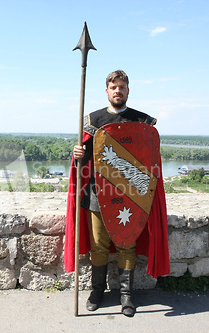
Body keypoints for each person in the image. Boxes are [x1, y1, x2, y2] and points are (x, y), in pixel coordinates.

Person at [64, 70, 170, 317]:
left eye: (122, 87)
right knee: (99, 245)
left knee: (127, 243)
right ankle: (97, 290)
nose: (118, 91)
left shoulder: (141, 122)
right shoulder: (93, 120)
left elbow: (148, 161)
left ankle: (126, 295)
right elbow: (88, 159)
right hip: (98, 193)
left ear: (128, 90)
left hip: (131, 196)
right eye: (114, 87)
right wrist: (79, 155)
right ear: (107, 91)